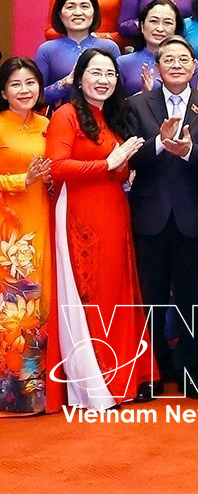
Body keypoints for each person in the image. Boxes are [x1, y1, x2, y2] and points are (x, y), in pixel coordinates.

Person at [45, 49, 154, 407]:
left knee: (119, 293)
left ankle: (124, 378)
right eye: (96, 72)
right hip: (81, 211)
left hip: (115, 211)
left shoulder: (112, 117)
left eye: (110, 73)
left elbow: (118, 172)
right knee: (92, 293)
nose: (104, 79)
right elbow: (57, 167)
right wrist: (107, 163)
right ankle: (97, 384)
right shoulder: (66, 115)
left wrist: (120, 164)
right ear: (80, 78)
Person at [125, 37, 198, 398]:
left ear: (195, 65)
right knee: (151, 298)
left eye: (184, 59)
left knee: (190, 298)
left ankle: (189, 373)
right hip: (150, 214)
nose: (177, 65)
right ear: (157, 66)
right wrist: (157, 143)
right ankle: (150, 373)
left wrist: (188, 151)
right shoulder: (137, 104)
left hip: (193, 214)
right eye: (169, 59)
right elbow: (129, 157)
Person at [0, 58, 59, 415]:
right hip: (9, 229)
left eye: (31, 83)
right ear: (3, 92)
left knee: (41, 298)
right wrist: (22, 180)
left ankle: (36, 390)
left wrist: (49, 180)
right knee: (12, 303)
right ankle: (10, 391)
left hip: (44, 219)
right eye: (16, 84)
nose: (25, 90)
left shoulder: (48, 124)